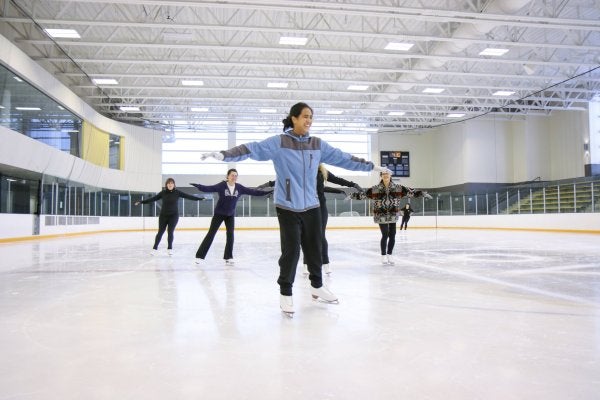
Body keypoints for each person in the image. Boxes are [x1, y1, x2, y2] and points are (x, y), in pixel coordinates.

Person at [200, 102, 391, 316]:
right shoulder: (279, 142)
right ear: (294, 118)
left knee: (315, 248)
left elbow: (344, 158)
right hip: (287, 206)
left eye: (311, 117)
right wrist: (224, 155)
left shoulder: (317, 144)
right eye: (305, 116)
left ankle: (317, 285)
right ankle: (286, 293)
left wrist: (373, 167)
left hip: (311, 205)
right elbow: (252, 148)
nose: (309, 120)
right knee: (291, 251)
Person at [258, 164, 362, 276]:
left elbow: (338, 180)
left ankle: (326, 263)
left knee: (321, 236)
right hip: (306, 207)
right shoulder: (300, 171)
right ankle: (306, 265)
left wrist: (354, 184)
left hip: (321, 208)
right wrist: (268, 184)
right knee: (305, 237)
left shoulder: (322, 172)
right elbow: (284, 179)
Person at [190, 168, 272, 265]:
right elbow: (209, 188)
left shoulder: (239, 187)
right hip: (219, 214)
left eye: (236, 176)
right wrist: (198, 186)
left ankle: (228, 256)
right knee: (211, 234)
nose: (234, 177)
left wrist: (266, 192)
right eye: (232, 175)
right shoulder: (222, 186)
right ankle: (199, 256)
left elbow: (253, 192)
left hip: (230, 215)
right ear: (228, 176)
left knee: (230, 235)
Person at [355, 170, 430, 265]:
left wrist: (422, 193)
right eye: (383, 174)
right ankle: (383, 255)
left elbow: (411, 192)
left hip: (393, 214)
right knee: (385, 234)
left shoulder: (398, 188)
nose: (385, 175)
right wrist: (352, 195)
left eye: (387, 174)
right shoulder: (375, 189)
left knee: (392, 235)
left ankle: (389, 254)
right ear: (381, 176)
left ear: (390, 175)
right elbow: (363, 194)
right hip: (380, 215)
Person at [135, 177, 206, 255]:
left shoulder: (177, 192)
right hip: (163, 215)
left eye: (172, 183)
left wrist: (200, 199)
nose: (170, 184)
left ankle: (170, 248)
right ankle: (155, 248)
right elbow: (152, 199)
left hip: (174, 216)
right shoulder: (163, 193)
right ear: (166, 185)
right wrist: (141, 202)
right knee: (160, 232)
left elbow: (189, 196)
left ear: (174, 185)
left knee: (170, 232)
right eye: (168, 183)